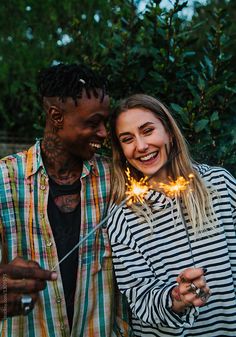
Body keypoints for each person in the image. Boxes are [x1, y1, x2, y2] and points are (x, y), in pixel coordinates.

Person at [0, 63, 131, 336]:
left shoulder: (117, 179)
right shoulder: (4, 180)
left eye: (105, 122)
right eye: (93, 122)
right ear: (56, 116)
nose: (105, 133)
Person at [107, 93, 236, 337]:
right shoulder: (123, 218)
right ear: (121, 150)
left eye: (147, 130)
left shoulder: (219, 185)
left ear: (168, 131)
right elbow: (141, 298)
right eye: (127, 139)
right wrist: (177, 297)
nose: (141, 146)